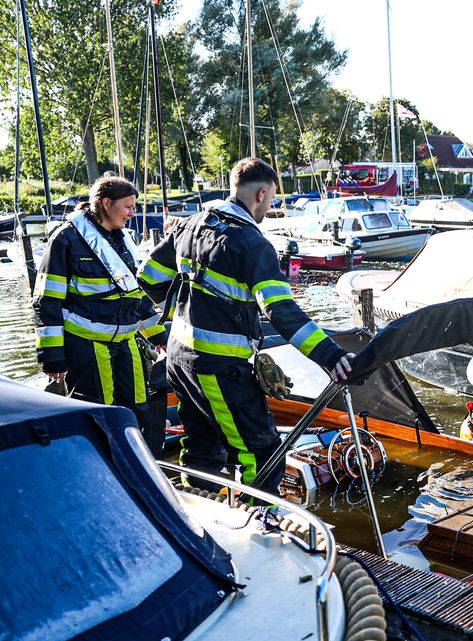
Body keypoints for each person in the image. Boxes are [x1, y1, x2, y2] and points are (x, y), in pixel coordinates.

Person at [138, 157, 354, 492]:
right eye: (272, 199)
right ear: (261, 194)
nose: (269, 207)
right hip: (218, 366)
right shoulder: (253, 245)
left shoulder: (189, 225)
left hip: (178, 360)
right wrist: (330, 355)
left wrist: (189, 306)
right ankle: (261, 519)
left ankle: (196, 507)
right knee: (263, 454)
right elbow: (281, 311)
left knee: (202, 445)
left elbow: (148, 278)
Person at [32, 174, 167, 438]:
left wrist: (159, 336)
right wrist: (53, 357)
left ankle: (133, 460)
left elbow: (135, 296)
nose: (132, 213)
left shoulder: (122, 239)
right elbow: (46, 301)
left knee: (137, 411)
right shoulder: (66, 240)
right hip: (87, 347)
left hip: (127, 344)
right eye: (128, 207)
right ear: (106, 203)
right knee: (98, 418)